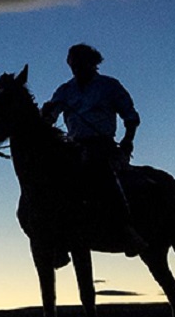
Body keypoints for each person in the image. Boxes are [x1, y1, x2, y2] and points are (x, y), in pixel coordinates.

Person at [41, 44, 147, 257]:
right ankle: (58, 241)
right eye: (72, 64)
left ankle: (126, 230)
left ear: (93, 63)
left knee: (104, 180)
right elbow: (50, 118)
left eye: (80, 63)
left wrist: (128, 140)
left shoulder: (109, 86)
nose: (75, 68)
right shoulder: (64, 90)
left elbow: (130, 116)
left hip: (102, 145)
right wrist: (46, 115)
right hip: (73, 147)